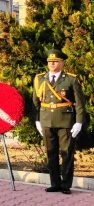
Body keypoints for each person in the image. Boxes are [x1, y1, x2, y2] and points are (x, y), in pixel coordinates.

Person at [33, 49, 86, 194]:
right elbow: (36, 102)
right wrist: (37, 119)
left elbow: (80, 103)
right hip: (46, 120)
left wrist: (79, 122)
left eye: (55, 61)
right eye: (50, 62)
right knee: (51, 153)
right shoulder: (40, 79)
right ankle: (55, 183)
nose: (52, 64)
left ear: (62, 63)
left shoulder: (71, 79)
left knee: (66, 153)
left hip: (66, 120)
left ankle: (65, 185)